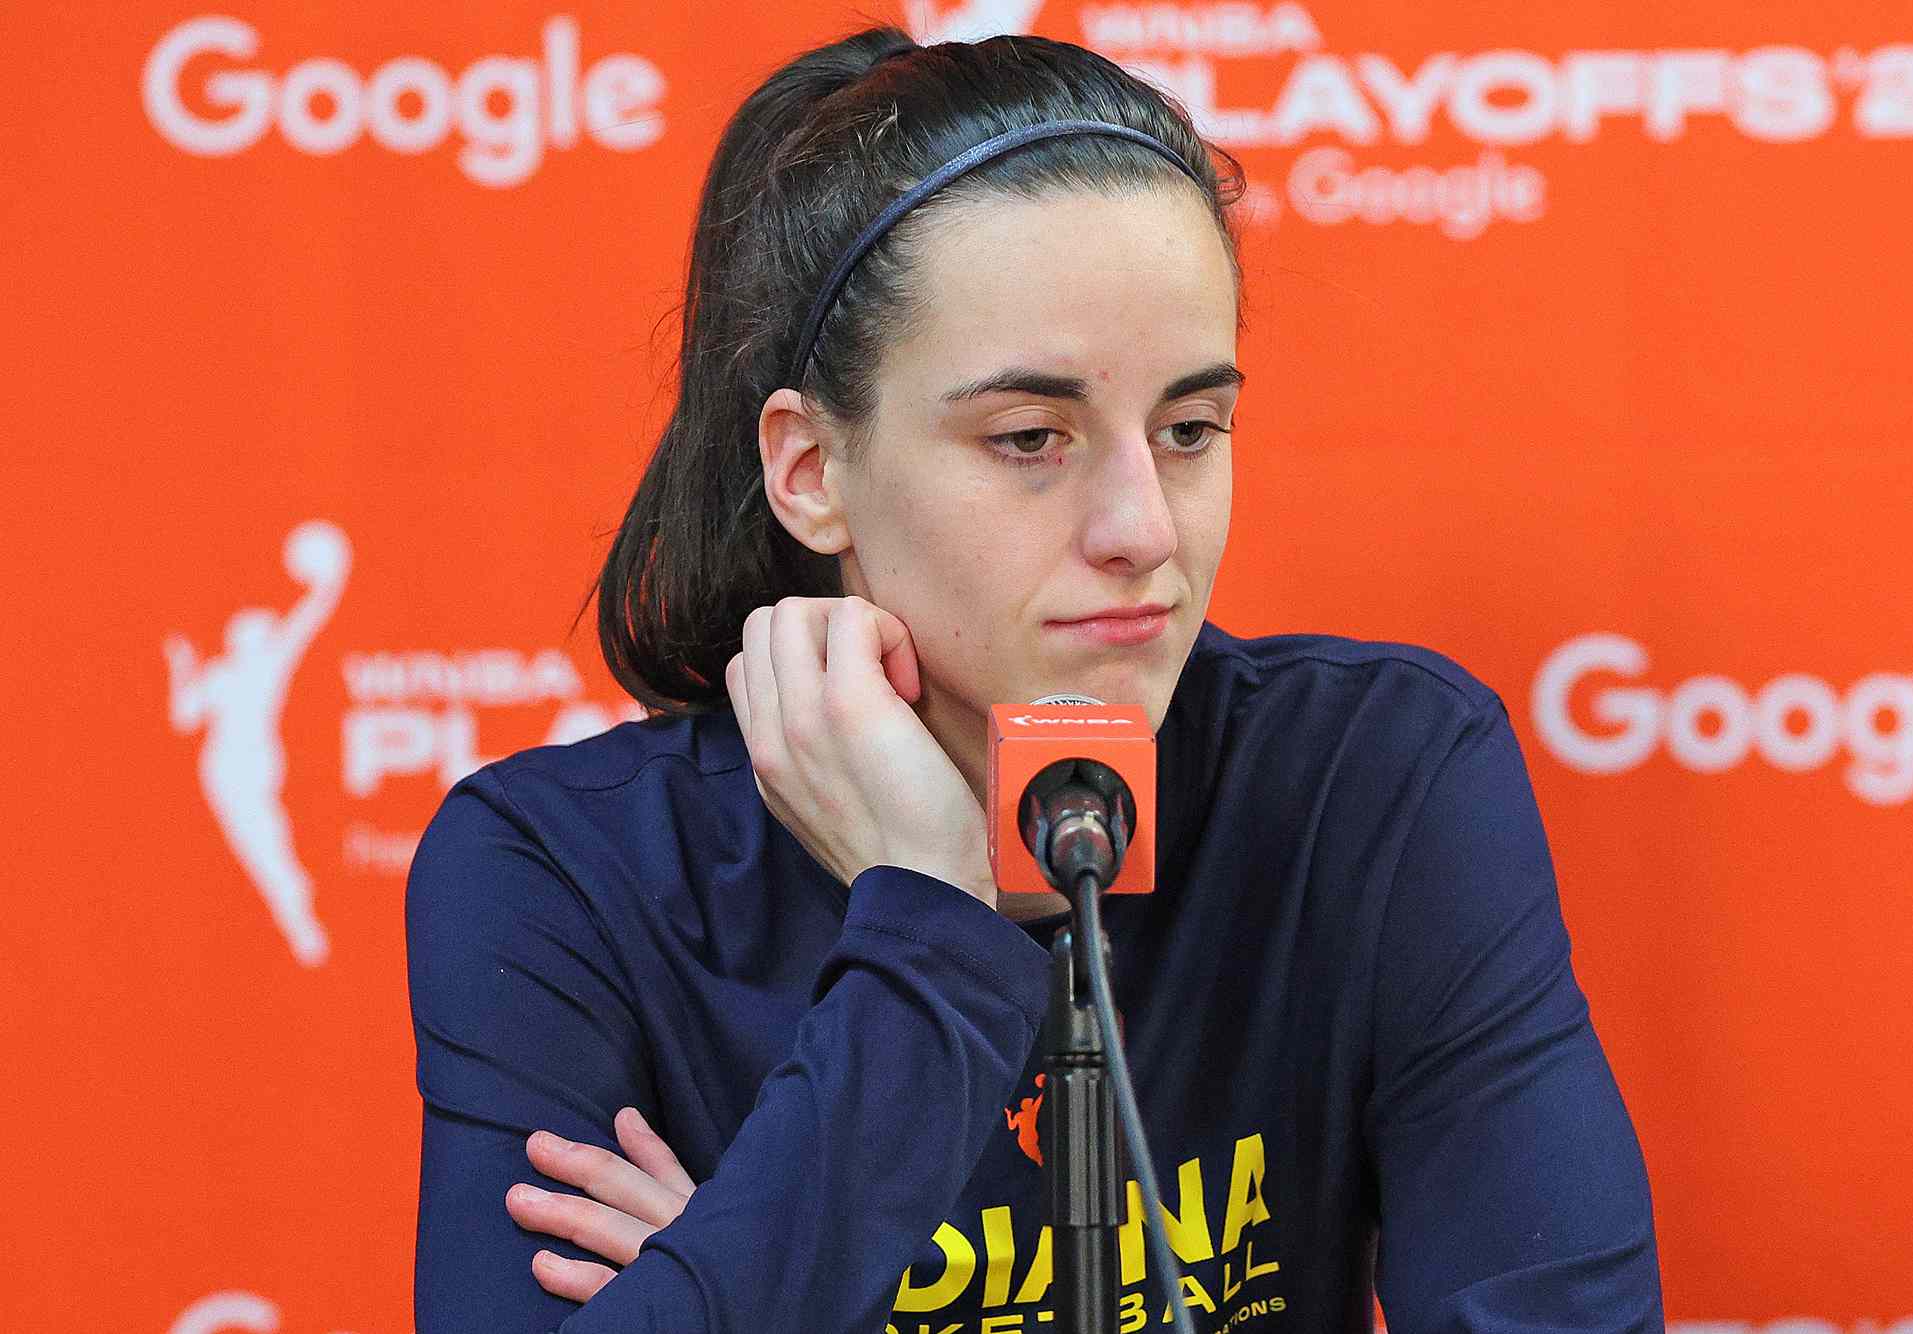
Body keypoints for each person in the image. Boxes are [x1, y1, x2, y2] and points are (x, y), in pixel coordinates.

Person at [404, 24, 1665, 1334]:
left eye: (1189, 430)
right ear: (810, 469)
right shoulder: (564, 874)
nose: (1146, 530)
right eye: (1030, 439)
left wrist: (730, 1275)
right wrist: (931, 932)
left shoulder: (1378, 784)